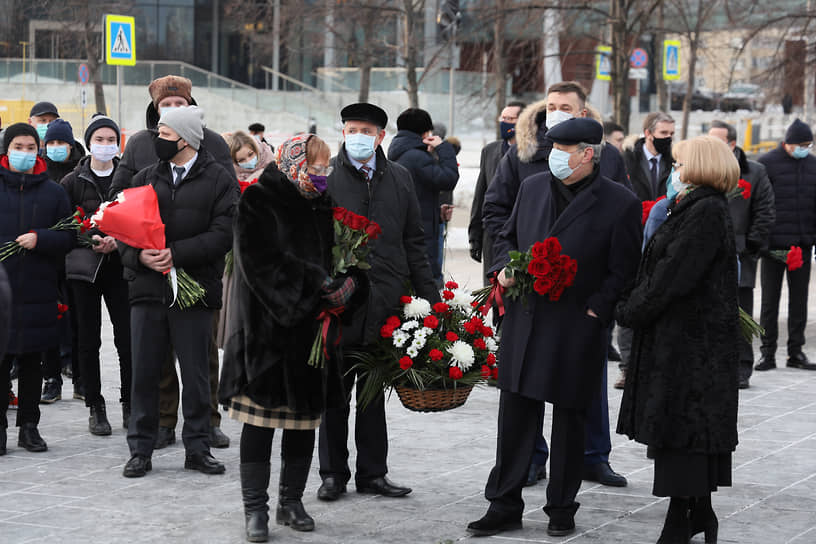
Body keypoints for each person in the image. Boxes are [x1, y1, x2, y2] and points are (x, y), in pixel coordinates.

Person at [467, 118, 641, 538]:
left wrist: (597, 311)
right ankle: (503, 503)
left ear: (588, 153)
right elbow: (505, 236)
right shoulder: (532, 188)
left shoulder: (619, 201)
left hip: (576, 324)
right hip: (525, 319)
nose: (556, 157)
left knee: (569, 420)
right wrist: (504, 267)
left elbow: (624, 268)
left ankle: (561, 506)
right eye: (554, 148)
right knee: (514, 419)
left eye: (566, 149)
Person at [484, 83, 631, 489]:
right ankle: (516, 480)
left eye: (566, 107)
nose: (557, 113)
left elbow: (622, 246)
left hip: (577, 312)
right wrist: (504, 268)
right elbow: (502, 219)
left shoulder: (610, 163)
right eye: (551, 106)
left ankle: (588, 464)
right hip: (527, 307)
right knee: (517, 402)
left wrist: (598, 308)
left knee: (578, 403)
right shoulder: (525, 160)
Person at [220, 133, 359, 542]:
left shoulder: (322, 204)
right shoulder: (259, 200)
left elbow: (341, 257)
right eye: (314, 167)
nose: (321, 175)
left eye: (324, 168)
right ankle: (255, 509)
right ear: (292, 161)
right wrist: (317, 283)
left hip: (311, 334)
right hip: (266, 334)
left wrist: (349, 285)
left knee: (302, 423)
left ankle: (291, 501)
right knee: (259, 425)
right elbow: (259, 265)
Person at [616, 135, 740, 544]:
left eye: (680, 163)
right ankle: (698, 513)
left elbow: (672, 276)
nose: (675, 171)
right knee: (684, 433)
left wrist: (629, 310)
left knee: (684, 432)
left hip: (691, 348)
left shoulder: (704, 211)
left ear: (698, 165)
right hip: (684, 343)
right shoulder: (697, 206)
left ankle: (683, 519)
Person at [317, 103, 438, 501]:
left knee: (372, 396)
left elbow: (414, 242)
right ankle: (333, 473)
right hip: (340, 306)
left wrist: (431, 299)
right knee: (335, 396)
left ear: (380, 136)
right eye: (351, 129)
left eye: (366, 130)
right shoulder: (328, 177)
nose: (358, 137)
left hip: (385, 304)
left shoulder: (399, 178)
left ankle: (373, 473)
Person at [111, 75, 234, 449]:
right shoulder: (142, 149)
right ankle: (161, 425)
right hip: (150, 282)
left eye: (180, 103)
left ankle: (205, 425)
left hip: (197, 279)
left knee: (200, 362)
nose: (174, 108)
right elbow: (120, 202)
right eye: (167, 104)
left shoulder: (211, 145)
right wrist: (138, 252)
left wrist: (178, 253)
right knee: (154, 364)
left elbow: (226, 215)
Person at [0, 123, 74, 455]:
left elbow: (71, 235)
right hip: (2, 288)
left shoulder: (54, 193)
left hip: (38, 286)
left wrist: (40, 239)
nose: (25, 153)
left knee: (32, 362)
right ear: (6, 149)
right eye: (19, 146)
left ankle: (29, 426)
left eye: (31, 147)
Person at [60, 114, 132, 434]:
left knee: (127, 338)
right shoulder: (72, 181)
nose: (105, 145)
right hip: (83, 270)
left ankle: (130, 402)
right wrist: (89, 238)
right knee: (88, 340)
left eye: (110, 139)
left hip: (121, 268)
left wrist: (119, 241)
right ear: (88, 143)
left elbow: (138, 219)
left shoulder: (129, 178)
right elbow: (63, 227)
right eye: (99, 139)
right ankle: (95, 404)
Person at [709, 120, 775, 388]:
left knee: (740, 314)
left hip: (741, 254)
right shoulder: (707, 169)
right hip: (708, 254)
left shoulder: (755, 172)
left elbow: (765, 211)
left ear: (732, 144)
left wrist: (750, 244)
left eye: (717, 140)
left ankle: (741, 367)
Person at [617, 111, 676, 390]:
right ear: (648, 133)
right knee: (629, 302)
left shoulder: (675, 160)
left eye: (672, 134)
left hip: (663, 240)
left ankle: (652, 365)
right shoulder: (626, 158)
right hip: (630, 237)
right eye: (664, 134)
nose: (669, 139)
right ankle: (628, 367)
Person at [756, 119, 816, 372]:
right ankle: (767, 353)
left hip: (802, 244)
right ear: (788, 143)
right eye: (801, 145)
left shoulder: (813, 165)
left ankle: (796, 352)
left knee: (799, 300)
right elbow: (760, 204)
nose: (804, 149)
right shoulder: (767, 163)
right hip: (773, 246)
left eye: (808, 145)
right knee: (770, 302)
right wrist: (762, 241)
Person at [387, 108, 459, 287]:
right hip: (422, 232)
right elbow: (448, 178)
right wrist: (443, 147)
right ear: (426, 132)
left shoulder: (397, 152)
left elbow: (418, 192)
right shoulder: (417, 157)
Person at [468, 101, 526, 282]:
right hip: (492, 234)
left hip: (520, 234)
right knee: (494, 291)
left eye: (511, 119)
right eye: (503, 118)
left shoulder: (532, 152)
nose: (505, 122)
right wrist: (474, 237)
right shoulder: (490, 150)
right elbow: (481, 194)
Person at [43, 119, 85, 183]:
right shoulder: (39, 168)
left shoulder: (82, 169)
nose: (55, 146)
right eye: (51, 142)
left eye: (60, 142)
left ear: (70, 145)